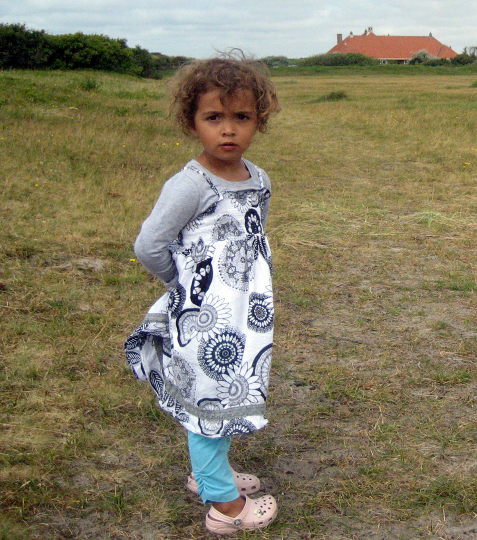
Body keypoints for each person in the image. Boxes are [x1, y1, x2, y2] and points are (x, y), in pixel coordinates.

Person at [124, 51, 281, 534]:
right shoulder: (188, 185)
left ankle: (210, 474)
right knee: (207, 401)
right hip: (203, 317)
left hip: (244, 319)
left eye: (241, 118)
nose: (228, 130)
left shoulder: (259, 181)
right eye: (214, 118)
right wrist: (187, 284)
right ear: (192, 122)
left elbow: (251, 241)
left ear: (259, 121)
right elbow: (149, 244)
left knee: (223, 394)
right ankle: (225, 507)